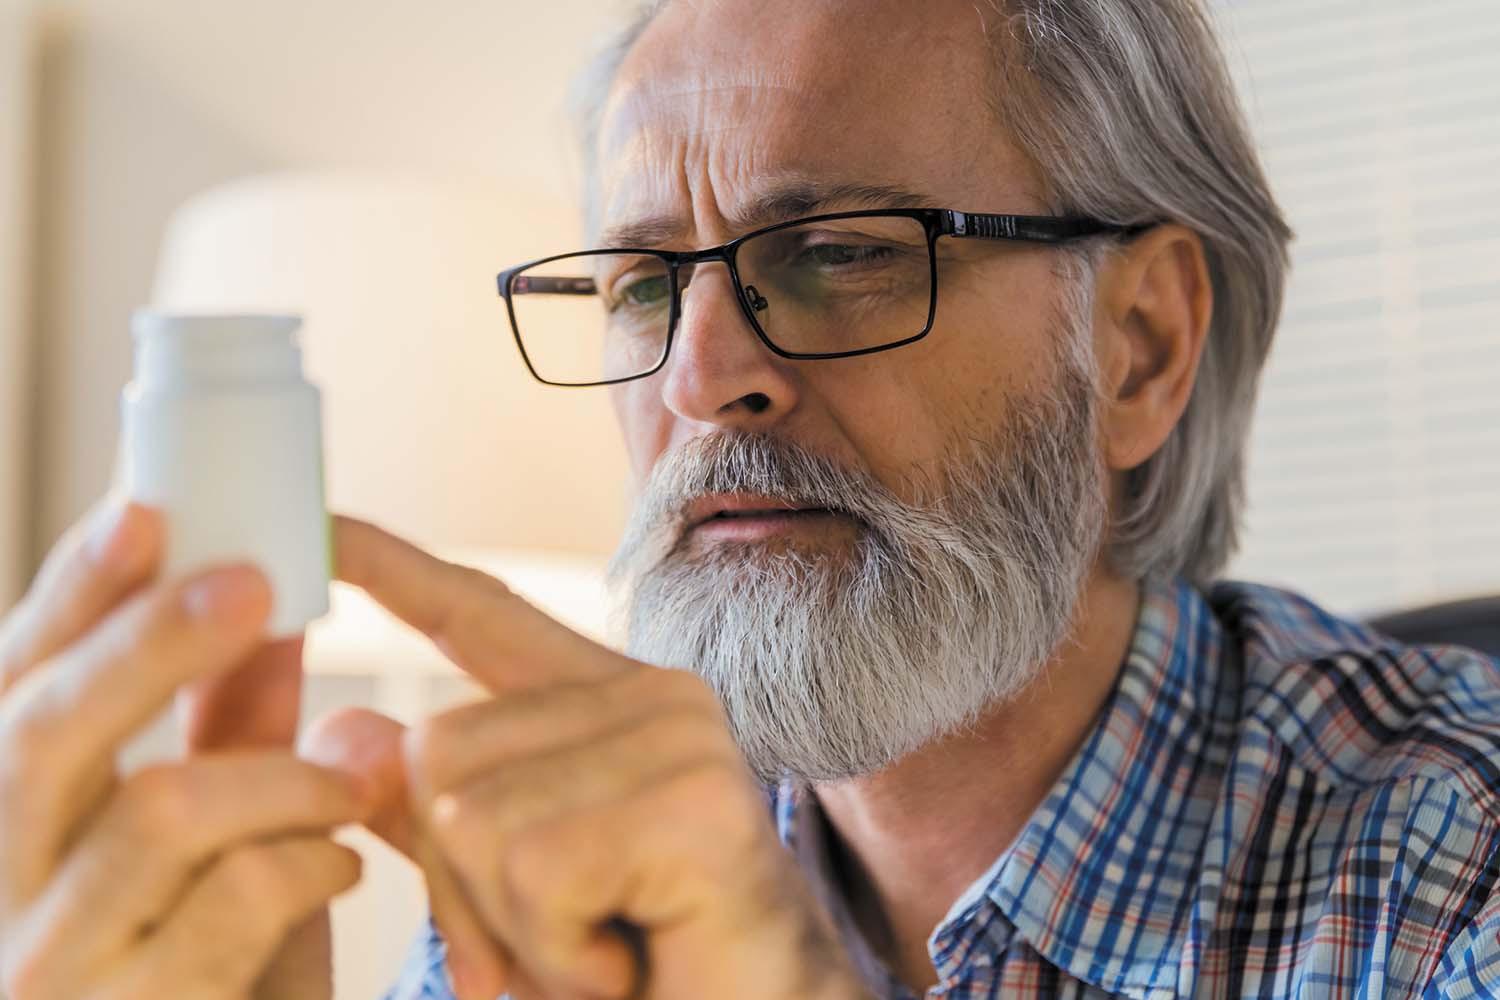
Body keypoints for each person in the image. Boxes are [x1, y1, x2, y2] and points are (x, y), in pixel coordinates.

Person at [2, 1, 1497, 998]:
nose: (706, 375)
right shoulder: (547, 889)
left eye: (842, 251)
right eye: (645, 282)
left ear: (1143, 344)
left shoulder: (1451, 874)